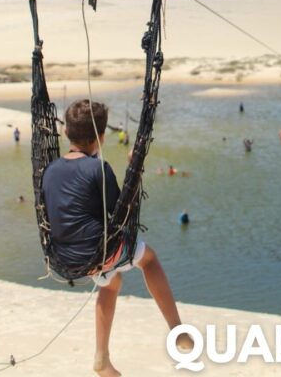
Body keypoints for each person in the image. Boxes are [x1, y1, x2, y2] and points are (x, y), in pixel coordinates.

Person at [42, 99, 191, 376]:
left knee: (111, 283)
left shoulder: (49, 170)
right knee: (149, 259)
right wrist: (133, 172)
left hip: (62, 257)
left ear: (65, 134)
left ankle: (102, 358)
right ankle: (177, 330)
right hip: (97, 254)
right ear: (101, 137)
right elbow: (121, 213)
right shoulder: (98, 169)